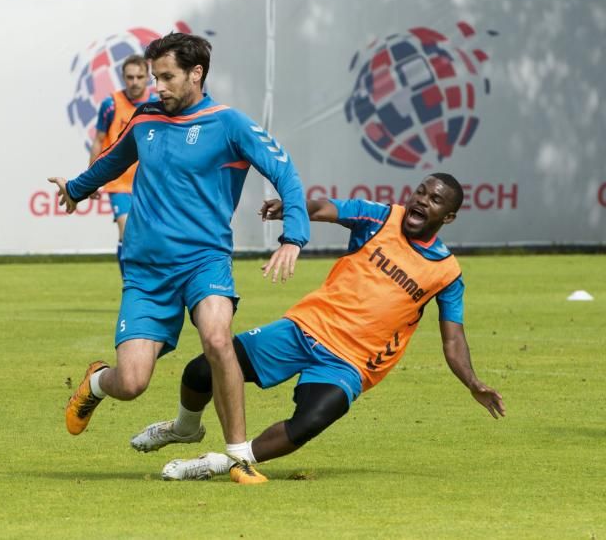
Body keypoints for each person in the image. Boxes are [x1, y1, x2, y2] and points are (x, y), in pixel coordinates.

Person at [49, 32, 310, 484]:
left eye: (167, 77)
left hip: (204, 261)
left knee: (217, 339)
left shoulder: (229, 124)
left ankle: (237, 456)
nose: (158, 87)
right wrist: (76, 189)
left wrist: (293, 237)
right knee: (130, 383)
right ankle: (95, 382)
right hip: (146, 271)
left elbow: (284, 169)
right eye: (155, 77)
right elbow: (113, 160)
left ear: (196, 73)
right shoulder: (146, 117)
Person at [130, 173, 506, 484]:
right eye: (421, 191)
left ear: (449, 217)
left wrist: (473, 382)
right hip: (304, 328)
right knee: (201, 370)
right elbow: (325, 208)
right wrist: (293, 211)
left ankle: (221, 462)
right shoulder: (380, 217)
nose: (423, 201)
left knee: (309, 422)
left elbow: (453, 338)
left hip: (350, 363)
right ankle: (184, 427)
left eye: (436, 200)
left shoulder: (447, 272)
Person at [87, 54, 153, 273]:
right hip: (119, 183)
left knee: (151, 237)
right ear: (123, 77)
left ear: (147, 78)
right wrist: (91, 179)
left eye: (139, 77)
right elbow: (98, 141)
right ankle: (129, 283)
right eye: (130, 77)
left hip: (149, 183)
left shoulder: (156, 104)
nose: (134, 82)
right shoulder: (110, 104)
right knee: (127, 231)